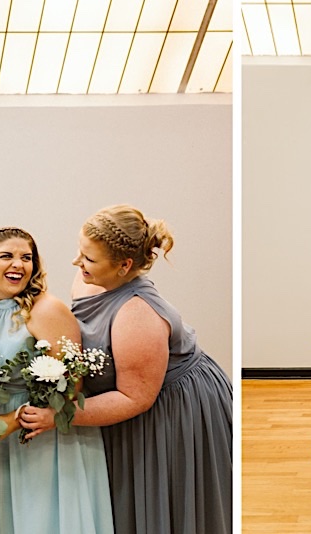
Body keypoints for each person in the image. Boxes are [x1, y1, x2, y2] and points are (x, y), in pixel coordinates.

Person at [19, 205, 232, 534]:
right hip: (133, 404)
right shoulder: (94, 278)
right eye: (80, 252)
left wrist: (56, 415)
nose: (78, 263)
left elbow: (135, 397)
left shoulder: (138, 314)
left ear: (124, 265)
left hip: (171, 412)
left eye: (88, 258)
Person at [0, 227, 114, 534]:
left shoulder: (47, 310)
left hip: (42, 438)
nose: (18, 265)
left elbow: (71, 388)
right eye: (6, 256)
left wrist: (13, 419)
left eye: (26, 258)